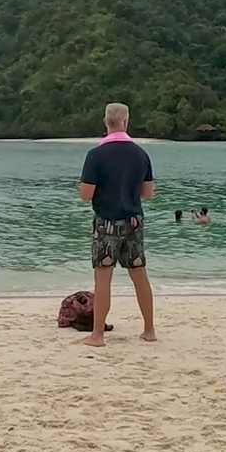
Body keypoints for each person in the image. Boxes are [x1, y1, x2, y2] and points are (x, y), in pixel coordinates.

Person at [77, 102, 158, 347]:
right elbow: (148, 192)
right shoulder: (140, 154)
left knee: (103, 279)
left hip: (106, 222)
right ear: (126, 121)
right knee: (140, 275)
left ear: (105, 122)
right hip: (134, 221)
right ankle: (149, 330)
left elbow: (86, 194)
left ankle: (98, 335)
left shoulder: (96, 155)